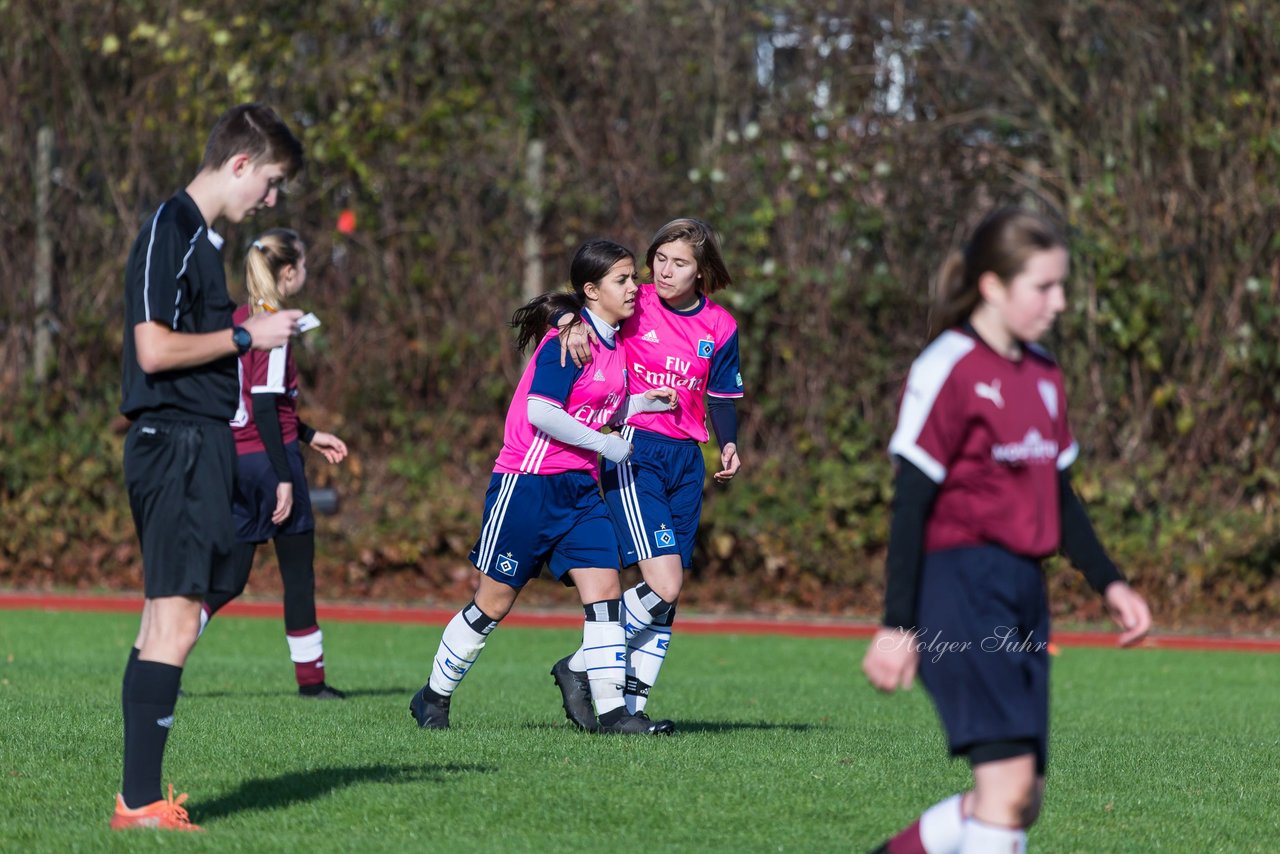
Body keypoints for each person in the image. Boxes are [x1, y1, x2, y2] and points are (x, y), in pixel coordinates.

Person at [861, 207, 1152, 853]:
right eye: (1044, 287)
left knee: (1022, 799)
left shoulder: (1045, 373)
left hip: (1023, 592)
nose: (1060, 301)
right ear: (993, 286)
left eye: (1062, 285)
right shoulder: (949, 365)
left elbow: (1058, 494)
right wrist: (898, 625)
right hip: (959, 589)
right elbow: (910, 502)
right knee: (1008, 789)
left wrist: (1112, 583)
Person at [113, 103, 305, 832]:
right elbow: (154, 350)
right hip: (177, 442)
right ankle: (138, 805)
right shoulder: (173, 229)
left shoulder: (202, 240)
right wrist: (244, 333)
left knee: (168, 618)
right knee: (173, 623)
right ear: (240, 165)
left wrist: (246, 332)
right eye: (273, 182)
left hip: (196, 443)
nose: (273, 200)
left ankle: (138, 799)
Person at [408, 239, 679, 735]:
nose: (634, 287)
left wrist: (640, 406)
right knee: (492, 604)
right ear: (591, 292)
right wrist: (606, 444)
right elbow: (542, 412)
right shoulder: (569, 342)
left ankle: (615, 714)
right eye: (622, 280)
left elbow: (591, 406)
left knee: (605, 595)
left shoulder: (613, 344)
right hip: (527, 489)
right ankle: (432, 697)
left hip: (579, 491)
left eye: (630, 277)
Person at [551, 218, 744, 733]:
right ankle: (582, 665)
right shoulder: (636, 303)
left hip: (686, 457)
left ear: (701, 273)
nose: (663, 270)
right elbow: (584, 301)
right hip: (635, 449)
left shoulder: (720, 326)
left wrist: (727, 442)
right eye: (659, 258)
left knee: (668, 595)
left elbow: (723, 396)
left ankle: (631, 711)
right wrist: (569, 321)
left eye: (679, 263)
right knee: (665, 580)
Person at [195, 228, 349, 700]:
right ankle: (312, 683)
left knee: (230, 578)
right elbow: (264, 406)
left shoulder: (241, 321)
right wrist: (284, 477)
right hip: (270, 462)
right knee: (298, 572)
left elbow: (263, 403)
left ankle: (163, 651)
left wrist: (309, 434)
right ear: (288, 272)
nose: (305, 271)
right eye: (302, 264)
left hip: (239, 459)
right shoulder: (275, 326)